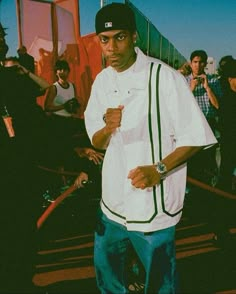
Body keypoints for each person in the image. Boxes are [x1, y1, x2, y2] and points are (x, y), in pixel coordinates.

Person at [84, 3, 217, 293]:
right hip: (112, 203)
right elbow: (95, 139)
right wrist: (107, 128)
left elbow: (195, 136)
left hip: (151, 204)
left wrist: (159, 169)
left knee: (161, 284)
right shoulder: (102, 80)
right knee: (107, 278)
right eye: (105, 40)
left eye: (119, 37)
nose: (112, 47)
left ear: (134, 37)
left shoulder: (164, 77)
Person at [0, 55, 50, 293]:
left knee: (25, 230)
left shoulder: (12, 78)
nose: (1, 41)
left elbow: (44, 88)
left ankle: (23, 281)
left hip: (22, 167)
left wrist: (22, 71)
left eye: (2, 35)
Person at [44, 59, 104, 169]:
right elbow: (47, 107)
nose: (63, 72)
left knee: (72, 146)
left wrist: (75, 106)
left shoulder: (72, 86)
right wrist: (63, 106)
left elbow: (74, 102)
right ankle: (61, 171)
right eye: (60, 70)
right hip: (57, 121)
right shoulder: (54, 87)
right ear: (56, 72)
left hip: (69, 120)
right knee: (61, 148)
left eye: (65, 70)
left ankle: (73, 169)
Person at [185, 50, 222, 183]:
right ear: (190, 63)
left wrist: (207, 87)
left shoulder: (213, 80)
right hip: (191, 125)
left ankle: (208, 185)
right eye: (195, 62)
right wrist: (192, 88)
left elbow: (217, 105)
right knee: (192, 157)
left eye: (201, 62)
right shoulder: (184, 80)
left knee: (209, 158)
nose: (198, 65)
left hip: (209, 124)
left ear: (205, 64)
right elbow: (181, 104)